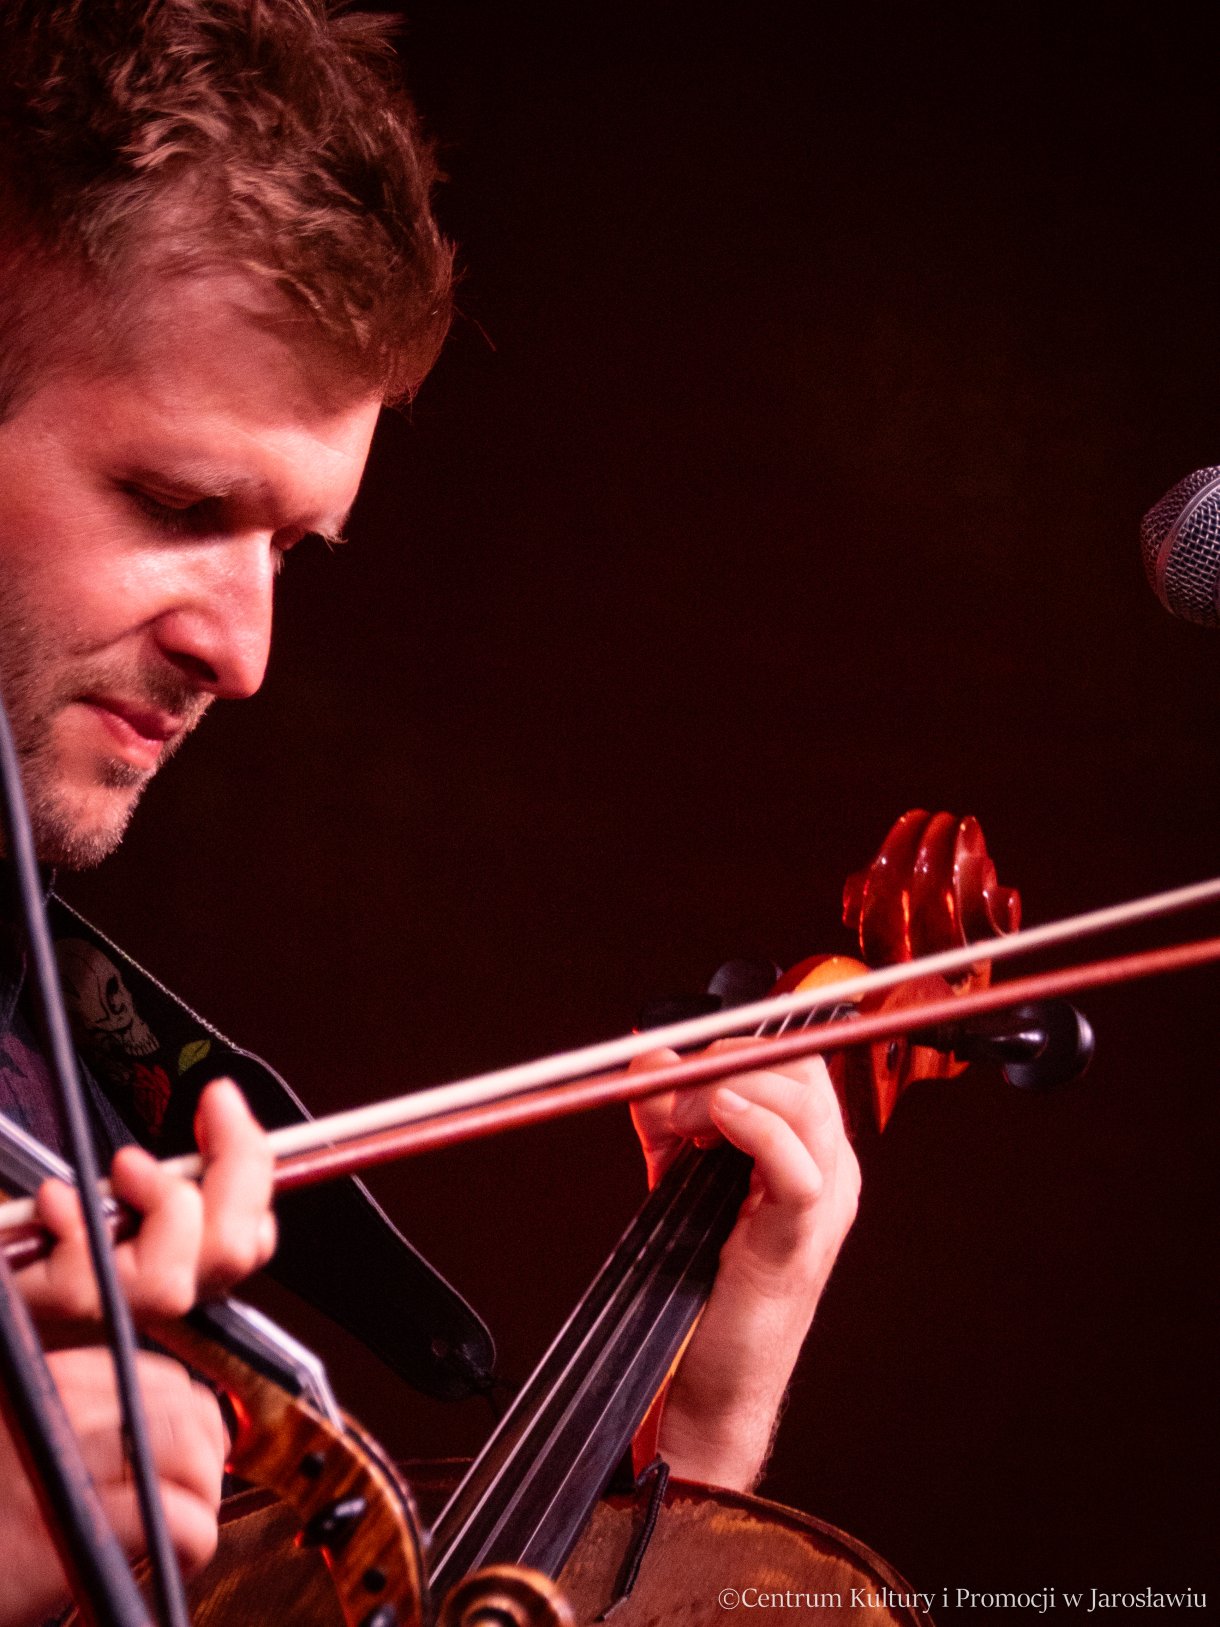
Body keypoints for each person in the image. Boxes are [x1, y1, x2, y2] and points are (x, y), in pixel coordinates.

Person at [0, 2, 860, 1621]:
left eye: (290, 549)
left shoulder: (58, 1070)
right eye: (181, 507)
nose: (243, 656)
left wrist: (696, 1442)